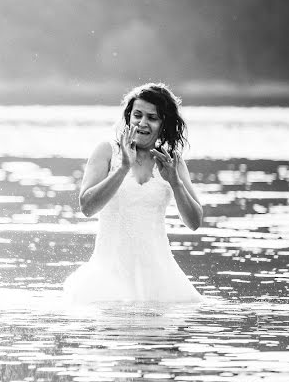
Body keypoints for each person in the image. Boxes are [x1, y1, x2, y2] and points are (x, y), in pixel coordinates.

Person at [63, 82, 203, 303]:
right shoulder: (106, 151)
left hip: (161, 279)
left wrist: (175, 183)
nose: (142, 123)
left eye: (152, 117)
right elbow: (87, 207)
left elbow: (194, 222)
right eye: (137, 115)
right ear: (128, 117)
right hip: (108, 277)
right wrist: (123, 169)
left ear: (163, 124)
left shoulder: (172, 162)